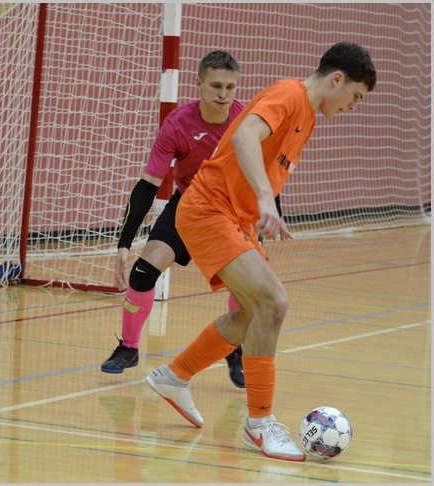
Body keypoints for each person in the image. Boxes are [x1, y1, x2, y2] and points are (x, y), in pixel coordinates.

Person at [145, 42, 376, 461]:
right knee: (273, 302)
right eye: (356, 96)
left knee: (252, 313)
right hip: (209, 210)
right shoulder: (289, 94)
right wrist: (267, 199)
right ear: (337, 79)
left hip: (234, 218)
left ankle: (175, 376)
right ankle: (259, 424)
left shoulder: (309, 117)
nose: (354, 107)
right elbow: (246, 135)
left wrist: (259, 209)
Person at [101, 51, 259, 387]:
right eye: (216, 85)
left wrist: (269, 213)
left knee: (246, 284)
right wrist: (124, 243)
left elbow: (266, 170)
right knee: (143, 272)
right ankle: (129, 347)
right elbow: (148, 185)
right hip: (189, 205)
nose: (223, 94)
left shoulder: (246, 121)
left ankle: (236, 350)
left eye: (230, 87)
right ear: (199, 83)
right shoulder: (177, 123)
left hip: (232, 209)